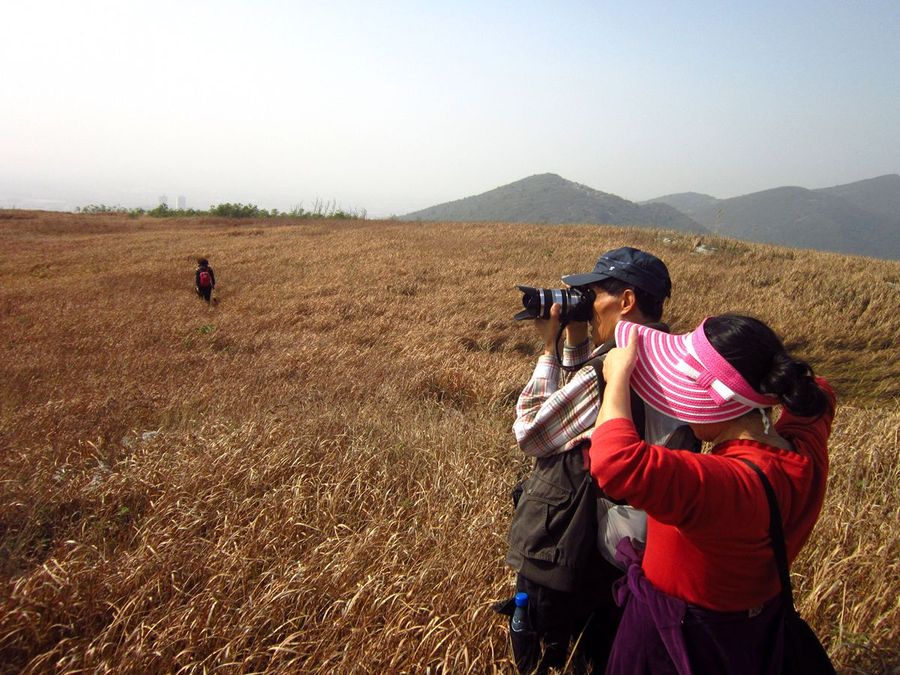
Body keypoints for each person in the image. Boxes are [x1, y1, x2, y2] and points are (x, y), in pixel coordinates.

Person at [589, 315, 835, 674]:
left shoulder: (724, 484)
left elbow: (614, 461)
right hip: (751, 635)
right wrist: (764, 367)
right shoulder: (806, 453)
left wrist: (618, 380)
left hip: (677, 642)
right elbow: (822, 391)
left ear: (719, 403)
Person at [503, 247, 699, 674]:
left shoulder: (610, 370)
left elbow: (534, 434)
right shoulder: (673, 361)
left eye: (593, 294)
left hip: (576, 549)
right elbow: (581, 419)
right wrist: (577, 343)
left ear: (626, 301)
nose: (588, 305)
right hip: (634, 551)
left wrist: (548, 352)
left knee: (560, 657)